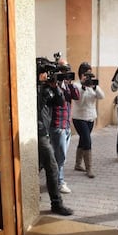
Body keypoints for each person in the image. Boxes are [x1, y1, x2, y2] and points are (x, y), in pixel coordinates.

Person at [37, 65, 73, 216]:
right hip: (36, 132)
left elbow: (60, 102)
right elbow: (36, 108)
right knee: (51, 166)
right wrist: (42, 90)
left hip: (42, 132)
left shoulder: (47, 88)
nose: (47, 76)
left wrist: (55, 87)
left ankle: (55, 203)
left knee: (45, 165)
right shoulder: (31, 88)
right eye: (45, 73)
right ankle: (56, 203)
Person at [50, 59, 80, 194]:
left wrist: (70, 83)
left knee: (61, 156)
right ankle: (59, 182)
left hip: (66, 124)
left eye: (67, 69)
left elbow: (76, 96)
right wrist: (57, 83)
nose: (64, 72)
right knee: (60, 157)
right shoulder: (53, 85)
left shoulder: (67, 85)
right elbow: (58, 100)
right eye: (62, 69)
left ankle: (56, 179)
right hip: (57, 125)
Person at [72, 62, 105, 178]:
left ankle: (77, 164)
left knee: (83, 139)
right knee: (87, 141)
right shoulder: (75, 85)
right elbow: (79, 102)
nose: (88, 76)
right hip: (79, 117)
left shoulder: (93, 84)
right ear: (81, 74)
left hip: (91, 117)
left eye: (90, 73)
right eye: (86, 74)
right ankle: (89, 169)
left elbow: (102, 96)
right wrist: (83, 87)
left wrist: (94, 87)